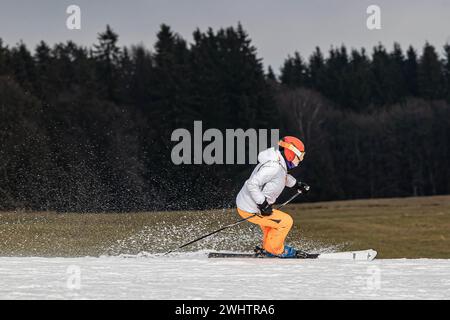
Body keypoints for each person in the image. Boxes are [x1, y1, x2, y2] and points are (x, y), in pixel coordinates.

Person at [235, 136, 310, 258]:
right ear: (291, 154)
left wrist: (297, 184)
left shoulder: (278, 164)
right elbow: (252, 184)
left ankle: (267, 247)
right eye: (300, 156)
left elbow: (281, 177)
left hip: (250, 205)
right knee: (285, 221)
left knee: (272, 225)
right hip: (252, 208)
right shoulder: (273, 167)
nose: (300, 160)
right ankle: (275, 250)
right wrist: (263, 204)